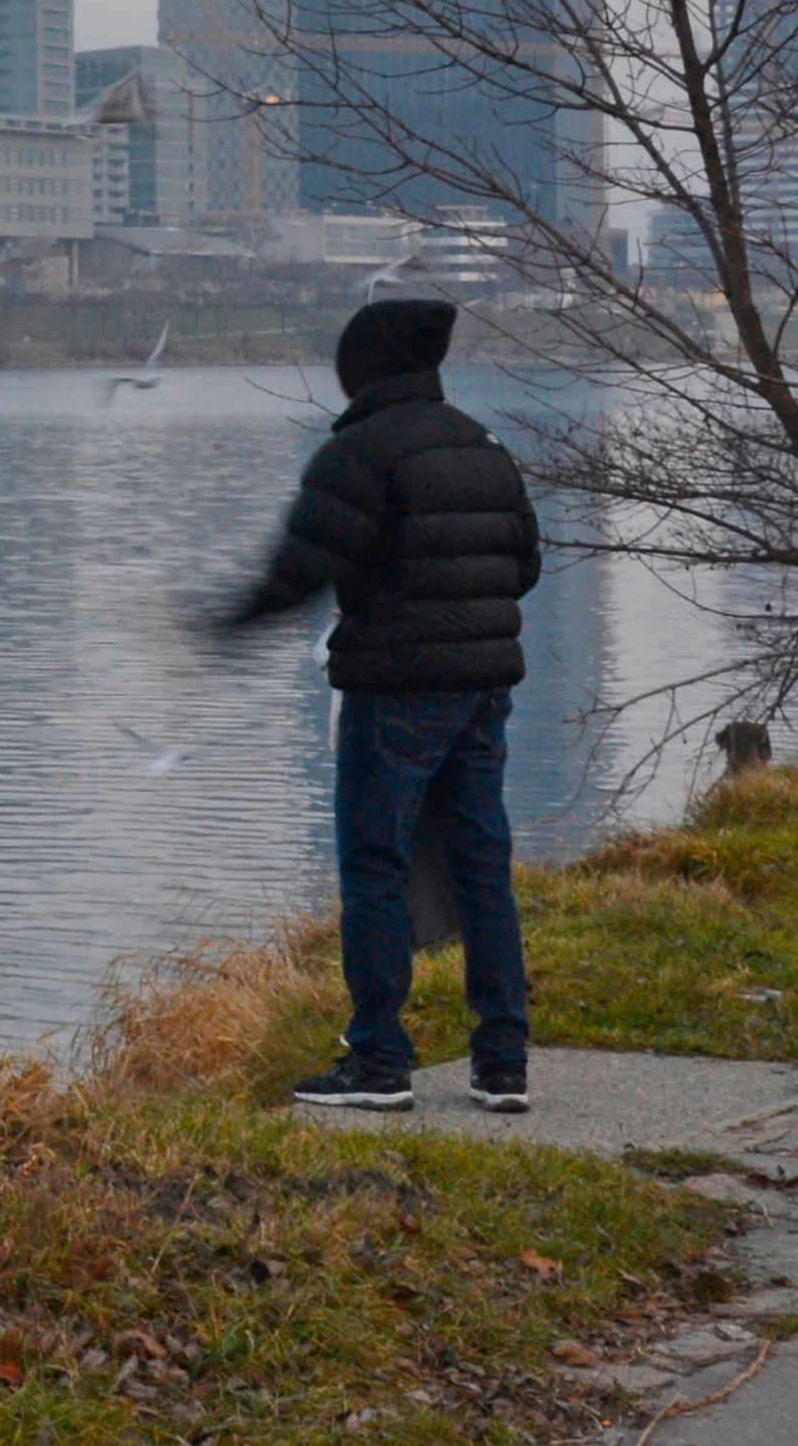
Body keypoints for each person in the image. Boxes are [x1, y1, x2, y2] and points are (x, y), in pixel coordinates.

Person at [225, 296, 544, 1114]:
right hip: (483, 693)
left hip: (393, 691)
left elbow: (300, 568)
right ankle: (503, 1064)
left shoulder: (358, 453)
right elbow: (525, 565)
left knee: (375, 868)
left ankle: (379, 1064)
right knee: (482, 870)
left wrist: (222, 625)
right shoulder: (485, 446)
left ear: (361, 369)